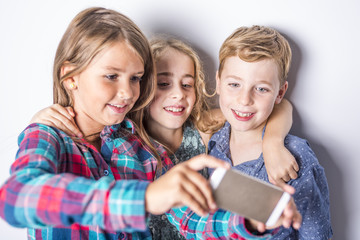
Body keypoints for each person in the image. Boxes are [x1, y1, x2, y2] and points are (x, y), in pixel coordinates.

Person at [30, 35, 302, 239]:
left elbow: (272, 107)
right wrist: (38, 125)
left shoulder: (203, 126)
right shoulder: (124, 141)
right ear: (143, 87)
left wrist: (273, 143)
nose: (178, 94)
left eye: (187, 84)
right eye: (163, 84)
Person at [0, 7, 232, 240]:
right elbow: (16, 199)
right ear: (70, 77)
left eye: (135, 79)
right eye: (111, 76)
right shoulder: (48, 137)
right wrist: (144, 198)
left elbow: (193, 219)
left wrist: (246, 224)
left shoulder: (145, 151)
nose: (127, 93)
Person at [206, 25, 333, 239]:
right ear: (218, 82)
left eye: (261, 89)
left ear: (280, 92)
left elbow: (316, 234)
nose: (245, 99)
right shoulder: (211, 141)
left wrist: (273, 142)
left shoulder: (296, 157)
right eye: (234, 84)